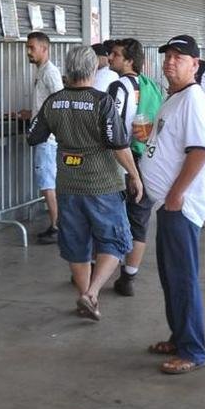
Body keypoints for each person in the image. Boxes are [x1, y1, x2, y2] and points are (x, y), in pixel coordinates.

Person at [28, 46, 142, 321]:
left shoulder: (53, 102)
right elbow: (117, 143)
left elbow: (34, 136)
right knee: (114, 242)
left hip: (67, 184)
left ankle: (88, 297)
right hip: (102, 183)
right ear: (93, 70)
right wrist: (135, 175)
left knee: (77, 244)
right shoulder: (102, 101)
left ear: (68, 70)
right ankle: (91, 293)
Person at [139, 34, 205, 375]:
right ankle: (179, 335)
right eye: (167, 55)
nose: (170, 61)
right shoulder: (174, 98)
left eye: (179, 57)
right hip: (166, 206)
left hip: (179, 208)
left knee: (182, 277)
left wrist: (175, 195)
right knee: (171, 276)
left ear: (195, 65)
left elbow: (199, 150)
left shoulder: (193, 99)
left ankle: (192, 350)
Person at [106, 37, 156, 296]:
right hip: (146, 160)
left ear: (128, 60)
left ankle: (97, 269)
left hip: (121, 164)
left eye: (115, 54)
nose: (110, 58)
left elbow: (109, 128)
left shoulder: (118, 87)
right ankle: (128, 277)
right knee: (139, 220)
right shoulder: (150, 86)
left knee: (110, 219)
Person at [21, 31, 64, 243]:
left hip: (48, 139)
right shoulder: (42, 71)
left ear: (44, 49)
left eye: (32, 48)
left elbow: (59, 100)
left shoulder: (50, 72)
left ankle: (57, 227)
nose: (29, 51)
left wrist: (47, 124)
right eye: (28, 47)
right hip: (46, 136)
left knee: (48, 184)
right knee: (48, 183)